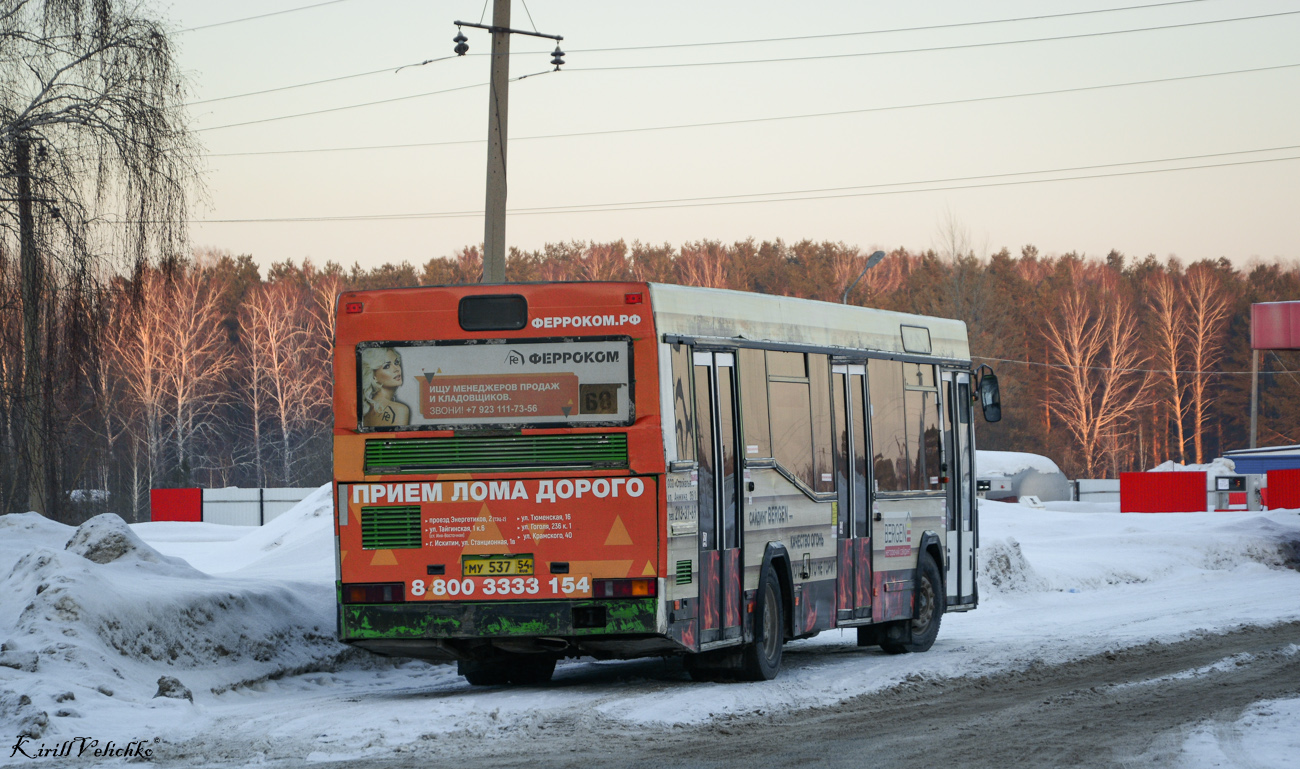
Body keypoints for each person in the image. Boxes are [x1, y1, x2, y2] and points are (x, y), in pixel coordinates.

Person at [361, 347, 411, 427]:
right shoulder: (399, 410)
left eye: (396, 362)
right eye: (387, 366)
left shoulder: (366, 408)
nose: (396, 369)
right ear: (374, 376)